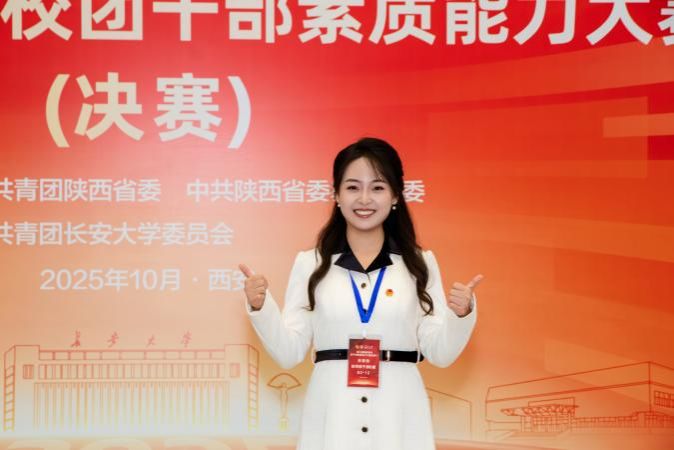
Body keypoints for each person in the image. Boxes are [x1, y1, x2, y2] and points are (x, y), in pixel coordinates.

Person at [239, 137, 482, 450]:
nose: (364, 199)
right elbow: (289, 352)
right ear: (336, 195)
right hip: (332, 412)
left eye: (377, 187)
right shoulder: (310, 263)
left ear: (395, 195)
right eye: (353, 187)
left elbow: (440, 353)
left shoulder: (419, 264)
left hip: (399, 413)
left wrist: (461, 315)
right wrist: (261, 307)